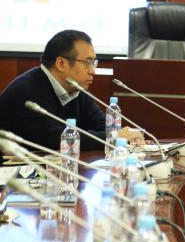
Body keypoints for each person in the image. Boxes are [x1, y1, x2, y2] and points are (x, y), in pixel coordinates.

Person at [0, 30, 143, 151]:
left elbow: (102, 126)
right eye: (87, 62)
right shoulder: (28, 92)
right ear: (61, 63)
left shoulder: (75, 88)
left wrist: (124, 136)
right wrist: (114, 137)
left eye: (94, 62)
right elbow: (57, 139)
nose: (92, 70)